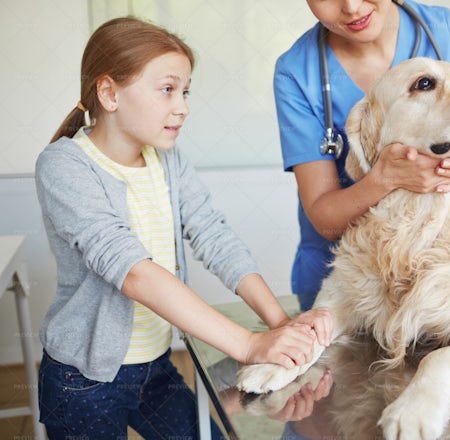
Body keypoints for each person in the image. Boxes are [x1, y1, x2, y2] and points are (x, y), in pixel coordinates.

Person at [35, 16, 332, 439]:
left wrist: (278, 322)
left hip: (156, 367)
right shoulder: (64, 166)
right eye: (168, 89)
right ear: (109, 92)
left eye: (185, 91)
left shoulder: (166, 160)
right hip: (83, 381)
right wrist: (249, 345)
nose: (183, 106)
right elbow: (134, 273)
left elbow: (214, 236)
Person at [274, 0, 450, 311]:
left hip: (444, 275)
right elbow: (325, 218)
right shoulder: (297, 71)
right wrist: (384, 179)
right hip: (347, 286)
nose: (350, 6)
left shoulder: (443, 32)